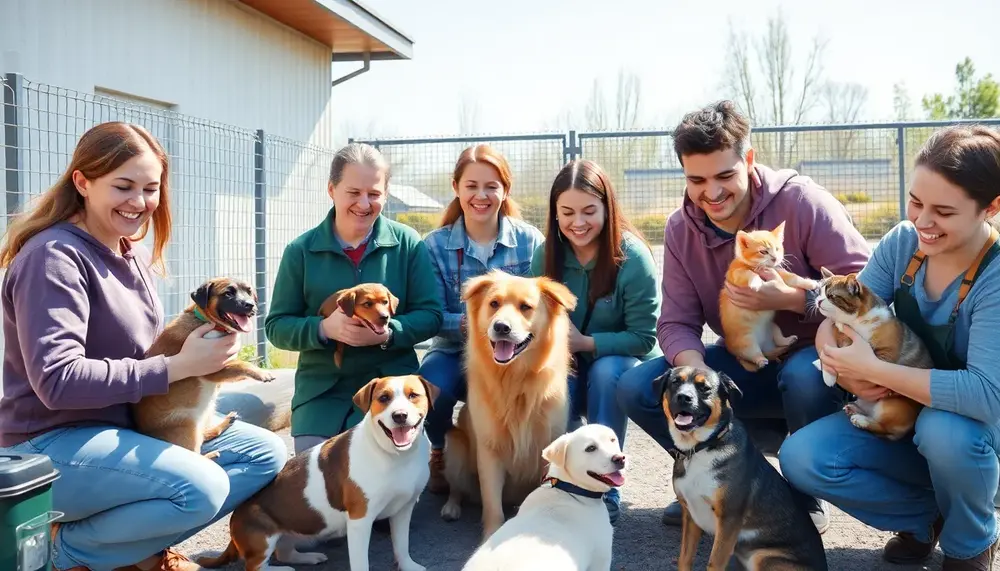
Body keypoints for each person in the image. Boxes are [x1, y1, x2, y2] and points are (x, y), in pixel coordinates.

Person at [0, 122, 287, 571]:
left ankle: (135, 552)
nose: (139, 202)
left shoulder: (126, 251)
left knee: (263, 453)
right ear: (83, 181)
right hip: (50, 442)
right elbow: (58, 381)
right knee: (203, 486)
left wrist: (201, 353)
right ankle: (59, 555)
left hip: (122, 427)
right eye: (123, 186)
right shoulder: (53, 257)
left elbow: (146, 352)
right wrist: (177, 367)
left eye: (150, 189)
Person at [615, 100, 871, 531]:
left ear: (748, 159)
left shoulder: (802, 201)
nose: (711, 193)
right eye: (696, 180)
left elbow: (865, 286)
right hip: (743, 357)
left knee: (802, 378)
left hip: (815, 356)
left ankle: (800, 493)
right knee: (639, 386)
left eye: (724, 176)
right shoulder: (681, 228)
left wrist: (792, 302)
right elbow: (676, 322)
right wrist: (695, 378)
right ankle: (717, 482)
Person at [779, 125, 1000, 570]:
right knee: (801, 458)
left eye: (942, 211)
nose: (921, 221)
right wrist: (835, 355)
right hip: (905, 415)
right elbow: (837, 313)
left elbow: (985, 395)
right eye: (916, 202)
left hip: (973, 431)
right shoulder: (902, 243)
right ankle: (928, 518)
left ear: (991, 207)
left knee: (945, 431)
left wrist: (876, 372)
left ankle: (971, 538)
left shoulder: (994, 276)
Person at [264, 142, 443, 455]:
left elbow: (431, 315)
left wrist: (389, 334)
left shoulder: (407, 244)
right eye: (353, 192)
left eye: (374, 194)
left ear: (386, 194)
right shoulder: (301, 251)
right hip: (323, 391)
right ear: (332, 190)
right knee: (319, 475)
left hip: (391, 389)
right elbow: (277, 327)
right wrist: (324, 329)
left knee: (388, 471)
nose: (364, 203)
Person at [530, 158, 661, 524]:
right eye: (567, 212)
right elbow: (532, 317)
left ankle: (607, 486)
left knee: (607, 371)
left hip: (619, 364)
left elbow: (643, 336)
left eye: (590, 210)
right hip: (567, 363)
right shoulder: (546, 255)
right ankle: (563, 480)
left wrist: (587, 342)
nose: (578, 222)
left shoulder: (632, 258)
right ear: (555, 214)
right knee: (556, 377)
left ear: (608, 207)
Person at [419, 144, 544, 494]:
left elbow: (542, 307)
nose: (481, 195)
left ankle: (533, 465)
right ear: (456, 186)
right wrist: (472, 324)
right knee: (432, 389)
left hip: (517, 352)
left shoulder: (529, 241)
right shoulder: (434, 245)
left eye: (491, 186)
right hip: (454, 350)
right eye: (471, 185)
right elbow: (431, 314)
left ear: (505, 189)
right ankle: (441, 452)